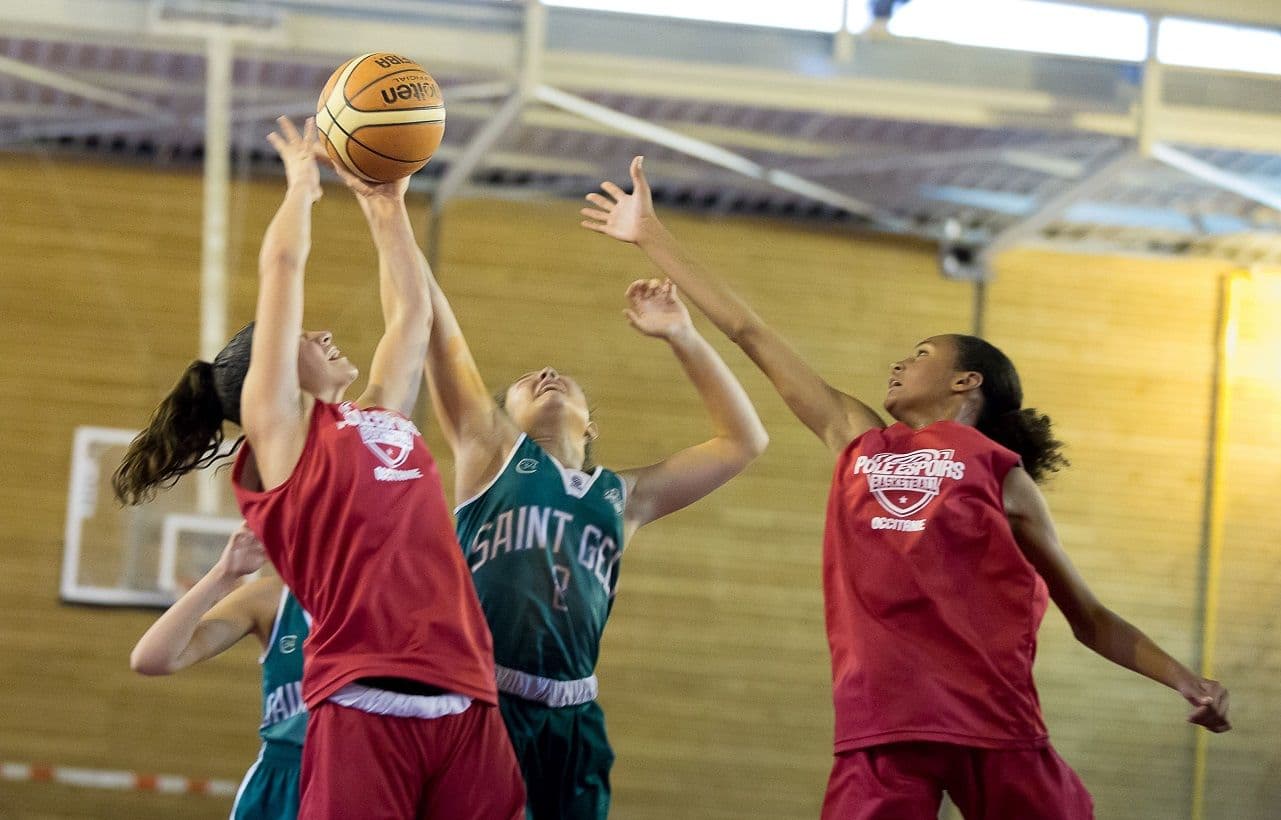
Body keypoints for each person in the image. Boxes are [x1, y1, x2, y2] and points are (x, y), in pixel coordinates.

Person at [580, 157, 1232, 820]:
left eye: (921, 353)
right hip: (880, 725)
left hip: (992, 722)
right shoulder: (856, 437)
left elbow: (1088, 617)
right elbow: (750, 331)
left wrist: (1186, 681)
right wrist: (651, 234)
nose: (900, 362)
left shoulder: (1000, 474)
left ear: (965, 382)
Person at [112, 116, 524, 819]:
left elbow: (413, 317)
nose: (325, 333)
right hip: (362, 695)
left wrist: (385, 206)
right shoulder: (281, 441)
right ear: (267, 383)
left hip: (465, 687)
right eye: (306, 336)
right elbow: (282, 271)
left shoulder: (380, 417)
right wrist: (302, 187)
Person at [421, 266, 767, 819]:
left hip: (574, 714)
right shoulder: (492, 458)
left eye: (558, 375)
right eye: (526, 379)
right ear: (504, 420)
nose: (548, 372)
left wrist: (684, 336)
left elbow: (744, 440)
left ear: (592, 429)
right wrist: (390, 207)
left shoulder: (622, 497)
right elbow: (435, 321)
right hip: (484, 700)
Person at [130, 525, 308, 820]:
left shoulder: (397, 601)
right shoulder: (273, 598)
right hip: (286, 779)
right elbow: (151, 658)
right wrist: (223, 573)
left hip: (369, 768)